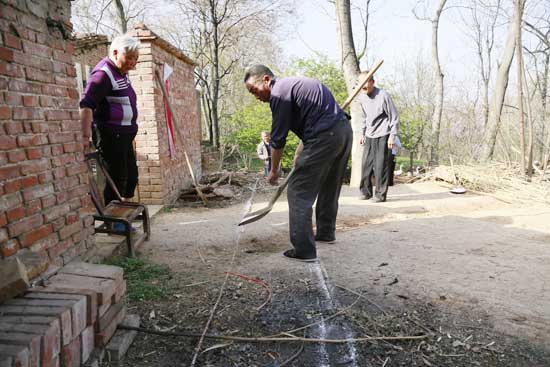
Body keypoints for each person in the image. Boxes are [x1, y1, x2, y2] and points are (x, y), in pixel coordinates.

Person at [244, 65, 352, 262]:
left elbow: (277, 139)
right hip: (343, 132)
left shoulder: (279, 94)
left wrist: (274, 170)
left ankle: (303, 249)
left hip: (324, 136)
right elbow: (311, 122)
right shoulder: (294, 85)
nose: (256, 97)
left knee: (298, 191)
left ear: (266, 79)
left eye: (254, 90)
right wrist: (302, 151)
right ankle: (326, 232)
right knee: (330, 185)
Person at [79, 34, 140, 232]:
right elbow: (86, 105)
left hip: (124, 136)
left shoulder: (120, 73)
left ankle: (125, 214)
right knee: (116, 178)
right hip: (110, 136)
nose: (133, 62)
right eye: (129, 58)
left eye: (135, 58)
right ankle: (113, 223)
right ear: (115, 53)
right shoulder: (103, 74)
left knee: (131, 177)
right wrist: (84, 136)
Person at [358, 71, 399, 202]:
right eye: (361, 83)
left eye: (366, 82)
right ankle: (365, 192)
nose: (364, 86)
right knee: (365, 165)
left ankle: (380, 195)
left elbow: (394, 117)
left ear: (372, 82)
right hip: (369, 134)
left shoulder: (383, 96)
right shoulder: (362, 97)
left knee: (381, 166)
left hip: (383, 134)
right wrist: (363, 133)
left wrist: (392, 136)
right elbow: (364, 117)